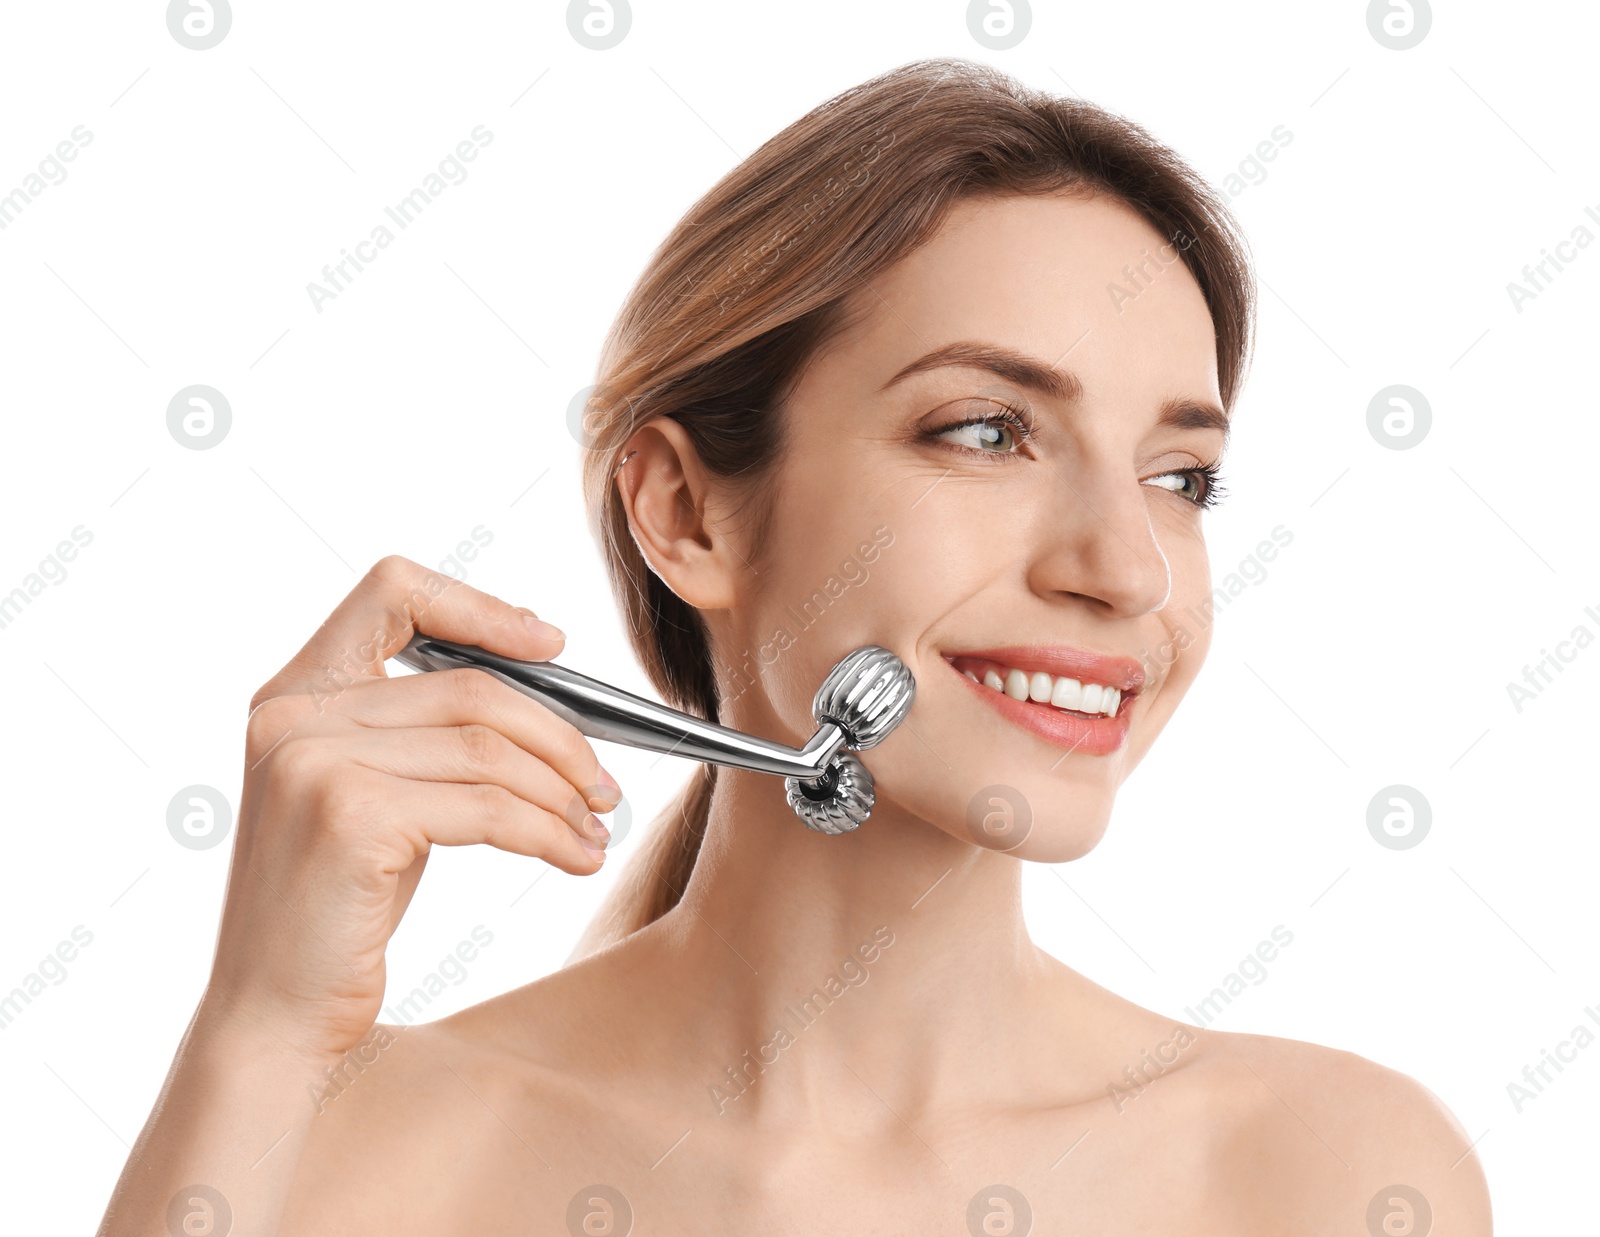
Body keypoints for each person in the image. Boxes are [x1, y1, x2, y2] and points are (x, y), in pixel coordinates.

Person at [99, 58, 1491, 1234]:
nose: (1125, 568)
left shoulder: (1323, 1173)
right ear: (687, 508)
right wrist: (259, 1033)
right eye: (987, 431)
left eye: (1180, 476)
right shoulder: (349, 1156)